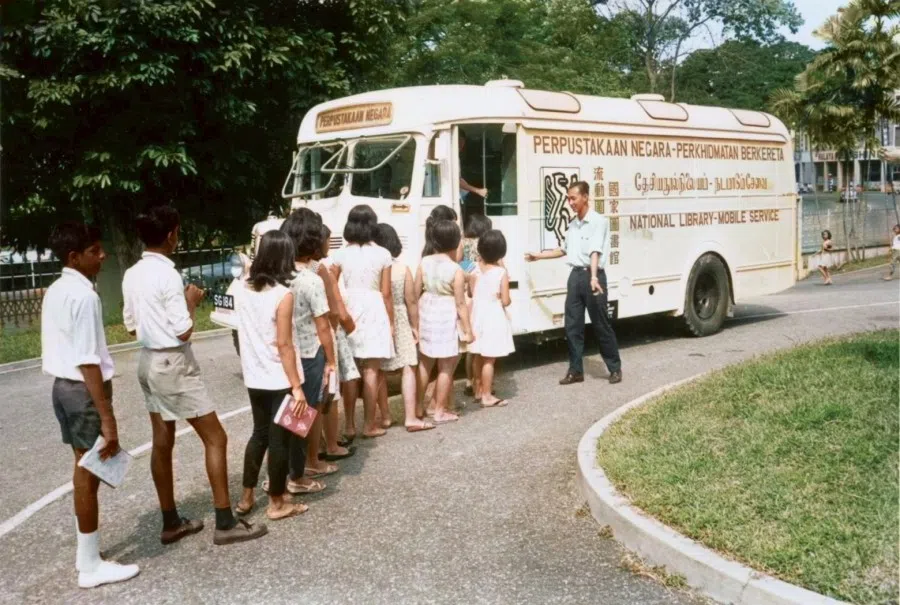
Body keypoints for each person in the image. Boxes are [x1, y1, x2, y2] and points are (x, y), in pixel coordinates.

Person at [122, 206, 266, 545]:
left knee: (162, 440)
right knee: (216, 438)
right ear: (171, 234)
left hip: (148, 361)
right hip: (173, 363)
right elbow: (184, 331)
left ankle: (170, 520)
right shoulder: (169, 275)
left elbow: (131, 327)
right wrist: (191, 301)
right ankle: (225, 521)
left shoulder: (132, 274)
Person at [41, 222, 140, 589]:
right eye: (95, 251)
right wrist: (107, 417)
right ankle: (90, 566)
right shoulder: (84, 296)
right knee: (88, 474)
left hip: (62, 389)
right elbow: (88, 361)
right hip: (81, 391)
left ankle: (87, 556)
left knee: (84, 470)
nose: (103, 256)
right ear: (74, 257)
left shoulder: (56, 288)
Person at [234, 231, 309, 520]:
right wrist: (297, 386)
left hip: (254, 375)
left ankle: (246, 495)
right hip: (279, 377)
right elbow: (284, 344)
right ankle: (278, 502)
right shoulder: (282, 295)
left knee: (259, 434)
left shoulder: (242, 288)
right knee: (280, 441)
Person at [525, 181, 622, 386]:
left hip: (593, 275)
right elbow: (564, 250)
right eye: (568, 198)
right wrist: (539, 256)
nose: (570, 202)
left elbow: (595, 251)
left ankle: (614, 368)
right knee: (572, 326)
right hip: (576, 277)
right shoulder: (572, 223)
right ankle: (575, 370)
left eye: (573, 198)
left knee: (601, 324)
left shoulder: (599, 221)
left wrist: (594, 278)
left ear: (585, 197)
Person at [278, 211, 337, 489]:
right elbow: (323, 326)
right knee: (305, 413)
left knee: (285, 417)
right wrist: (332, 360)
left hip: (285, 353)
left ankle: (283, 472)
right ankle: (299, 473)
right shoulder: (311, 280)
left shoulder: (279, 274)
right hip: (310, 351)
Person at [330, 205, 394, 439]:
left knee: (350, 371)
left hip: (349, 306)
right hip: (374, 307)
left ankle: (348, 425)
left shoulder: (340, 254)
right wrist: (391, 322)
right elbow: (386, 293)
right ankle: (368, 425)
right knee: (371, 371)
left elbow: (331, 283)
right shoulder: (383, 254)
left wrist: (339, 307)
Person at [374, 223, 434, 433]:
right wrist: (415, 327)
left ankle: (386, 416)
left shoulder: (374, 268)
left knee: (379, 369)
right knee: (408, 366)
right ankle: (410, 417)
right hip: (399, 317)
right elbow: (411, 301)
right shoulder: (402, 268)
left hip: (378, 319)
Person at [416, 219, 473, 424]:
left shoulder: (424, 262)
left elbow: (415, 292)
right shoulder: (455, 270)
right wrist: (468, 330)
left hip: (426, 311)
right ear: (456, 241)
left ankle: (417, 407)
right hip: (445, 315)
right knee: (446, 367)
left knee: (424, 363)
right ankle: (439, 410)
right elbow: (460, 304)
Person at [314, 222, 359, 458]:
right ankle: (332, 444)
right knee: (331, 392)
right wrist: (349, 326)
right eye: (326, 239)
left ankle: (318, 444)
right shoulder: (322, 271)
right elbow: (336, 309)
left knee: (314, 395)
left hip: (306, 339)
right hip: (328, 335)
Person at [469, 230, 515, 407]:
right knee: (489, 358)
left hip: (477, 315)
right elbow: (505, 300)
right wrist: (500, 297)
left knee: (478, 355)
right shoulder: (501, 272)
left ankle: (478, 390)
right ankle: (488, 395)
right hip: (493, 317)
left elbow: (470, 293)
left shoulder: (474, 270)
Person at [461, 214, 492, 397]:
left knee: (470, 346)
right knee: (482, 343)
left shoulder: (463, 243)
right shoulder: (485, 245)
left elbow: (462, 264)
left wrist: (470, 272)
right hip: (480, 294)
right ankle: (482, 383)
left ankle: (468, 381)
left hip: (466, 293)